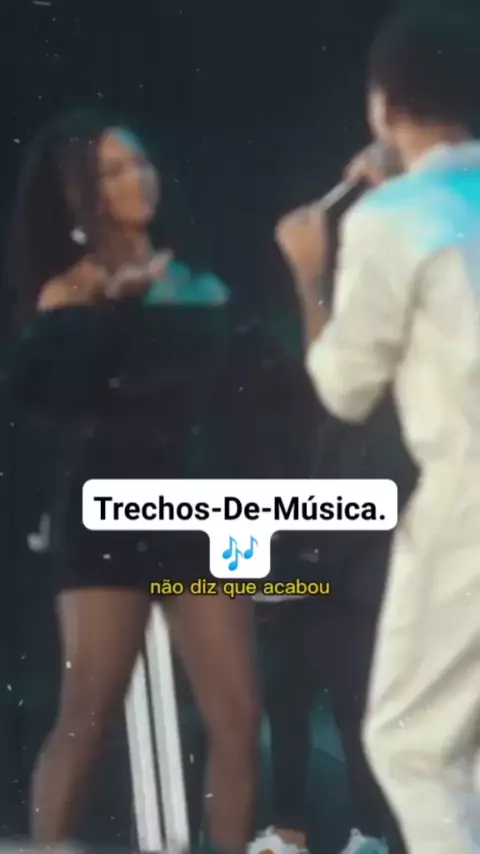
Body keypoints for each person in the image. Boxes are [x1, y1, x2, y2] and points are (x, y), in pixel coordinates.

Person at [6, 109, 260, 853]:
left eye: (139, 163)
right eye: (113, 171)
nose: (135, 180)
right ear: (83, 191)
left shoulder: (199, 283)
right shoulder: (69, 292)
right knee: (88, 710)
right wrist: (109, 307)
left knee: (239, 717)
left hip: (201, 510)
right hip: (106, 512)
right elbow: (49, 404)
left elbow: (237, 409)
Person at [275, 2, 480, 852]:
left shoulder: (389, 220)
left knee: (411, 744)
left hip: (465, 507)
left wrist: (310, 276)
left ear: (382, 105)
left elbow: (344, 387)